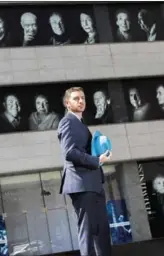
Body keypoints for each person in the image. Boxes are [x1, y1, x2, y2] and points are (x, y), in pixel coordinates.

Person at [57, 87, 112, 256]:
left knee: (101, 232)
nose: (81, 101)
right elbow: (69, 152)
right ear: (67, 103)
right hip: (82, 185)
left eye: (82, 98)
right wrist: (97, 161)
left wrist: (100, 154)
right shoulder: (67, 122)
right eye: (76, 98)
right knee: (88, 233)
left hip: (94, 184)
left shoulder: (80, 123)